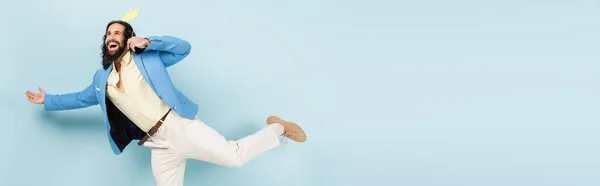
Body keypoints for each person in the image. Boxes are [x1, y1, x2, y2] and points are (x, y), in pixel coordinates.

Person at [24, 20, 307, 186]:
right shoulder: (102, 78)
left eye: (117, 32)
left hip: (178, 126)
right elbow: (80, 98)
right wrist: (47, 100)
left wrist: (149, 42)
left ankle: (277, 129)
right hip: (155, 144)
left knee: (233, 157)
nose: (111, 36)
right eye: (108, 34)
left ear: (127, 38)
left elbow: (184, 48)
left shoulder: (147, 57)